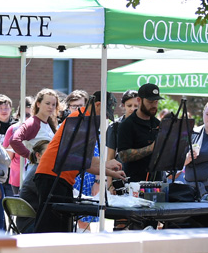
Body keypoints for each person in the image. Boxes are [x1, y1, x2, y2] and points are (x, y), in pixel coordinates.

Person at [19, 93, 127, 233]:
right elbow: (78, 158)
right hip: (52, 175)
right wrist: (106, 166)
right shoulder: (81, 119)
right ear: (98, 105)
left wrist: (107, 167)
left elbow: (82, 158)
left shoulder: (84, 120)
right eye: (105, 115)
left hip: (58, 177)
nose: (104, 119)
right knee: (52, 227)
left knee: (62, 225)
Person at [114, 83, 163, 182]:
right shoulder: (127, 125)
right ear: (139, 100)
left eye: (156, 102)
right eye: (150, 101)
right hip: (134, 184)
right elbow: (123, 155)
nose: (154, 105)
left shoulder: (158, 124)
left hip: (157, 182)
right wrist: (151, 148)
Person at [11, 89, 59, 186]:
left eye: (53, 104)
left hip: (48, 172)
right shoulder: (32, 123)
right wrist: (30, 156)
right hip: (37, 173)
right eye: (47, 103)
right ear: (38, 104)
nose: (51, 107)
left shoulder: (49, 123)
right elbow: (14, 140)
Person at [3, 97, 33, 194]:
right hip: (17, 178)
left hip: (33, 177)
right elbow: (7, 159)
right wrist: (15, 142)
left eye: (30, 115)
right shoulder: (13, 129)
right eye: (25, 115)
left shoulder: (39, 129)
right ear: (19, 114)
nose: (27, 119)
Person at [0, 95, 17, 198]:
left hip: (12, 171)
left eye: (6, 107)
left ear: (11, 109)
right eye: (0, 108)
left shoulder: (16, 126)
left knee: (11, 201)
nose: (4, 110)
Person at [104, 90, 140, 161]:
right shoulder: (114, 126)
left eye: (136, 106)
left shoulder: (147, 124)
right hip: (121, 168)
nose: (132, 109)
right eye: (129, 105)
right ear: (123, 105)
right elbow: (110, 157)